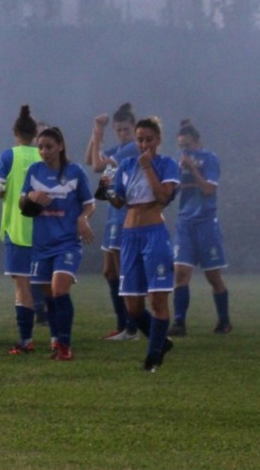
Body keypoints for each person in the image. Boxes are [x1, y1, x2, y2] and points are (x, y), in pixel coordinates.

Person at [106, 117, 181, 372]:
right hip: (129, 236)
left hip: (154, 234)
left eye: (149, 139)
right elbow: (119, 201)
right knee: (133, 307)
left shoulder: (166, 164)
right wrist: (107, 191)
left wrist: (148, 167)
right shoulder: (126, 165)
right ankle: (161, 341)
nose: (144, 144)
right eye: (140, 140)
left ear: (158, 140)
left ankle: (153, 358)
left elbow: (164, 196)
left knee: (158, 301)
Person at [19, 127, 96, 361]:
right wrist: (31, 197)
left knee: (59, 290)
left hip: (67, 243)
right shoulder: (34, 171)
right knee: (48, 296)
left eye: (49, 147)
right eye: (40, 147)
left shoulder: (75, 172)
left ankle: (65, 346)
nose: (44, 151)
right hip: (42, 244)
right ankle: (56, 341)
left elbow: (90, 203)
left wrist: (83, 218)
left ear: (60, 146)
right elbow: (22, 204)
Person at [84, 102, 140, 341]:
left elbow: (97, 166)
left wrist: (99, 131)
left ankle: (131, 327)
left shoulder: (133, 148)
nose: (122, 133)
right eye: (118, 129)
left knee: (122, 270)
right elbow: (89, 158)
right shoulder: (120, 147)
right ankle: (123, 325)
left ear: (134, 129)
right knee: (109, 271)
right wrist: (96, 132)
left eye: (126, 129)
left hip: (125, 213)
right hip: (113, 215)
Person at [171, 119, 232, 335]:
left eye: (186, 146)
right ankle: (179, 323)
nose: (183, 151)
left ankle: (224, 320)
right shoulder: (179, 161)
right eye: (181, 147)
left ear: (197, 142)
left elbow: (208, 189)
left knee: (213, 277)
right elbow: (173, 189)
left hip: (206, 222)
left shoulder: (209, 159)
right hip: (185, 223)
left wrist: (193, 170)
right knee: (180, 273)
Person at [0, 104, 41, 355]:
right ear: (35, 134)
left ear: (15, 132)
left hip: (17, 229)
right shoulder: (44, 155)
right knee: (44, 284)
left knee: (22, 286)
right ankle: (57, 337)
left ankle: (26, 338)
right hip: (44, 231)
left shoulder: (7, 156)